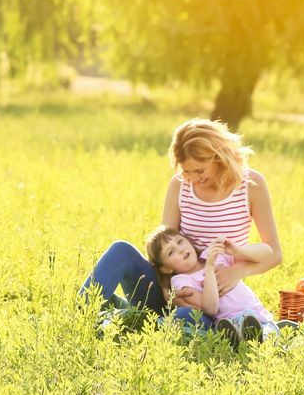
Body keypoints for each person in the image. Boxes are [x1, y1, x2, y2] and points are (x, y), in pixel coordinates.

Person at [80, 118, 282, 331]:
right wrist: (168, 291)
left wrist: (237, 272)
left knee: (185, 316)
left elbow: (275, 253)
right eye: (187, 171)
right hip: (172, 290)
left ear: (219, 157)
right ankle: (80, 317)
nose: (193, 179)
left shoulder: (252, 185)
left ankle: (131, 318)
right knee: (121, 250)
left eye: (200, 171)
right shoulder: (179, 186)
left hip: (213, 304)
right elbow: (163, 248)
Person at [145, 226, 279, 342]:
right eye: (171, 252)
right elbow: (210, 309)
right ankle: (242, 339)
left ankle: (262, 338)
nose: (180, 249)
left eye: (180, 241)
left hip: (260, 317)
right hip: (231, 323)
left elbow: (268, 253)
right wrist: (209, 268)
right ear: (166, 268)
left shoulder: (212, 254)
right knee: (239, 327)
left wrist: (238, 251)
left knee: (267, 334)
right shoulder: (181, 281)